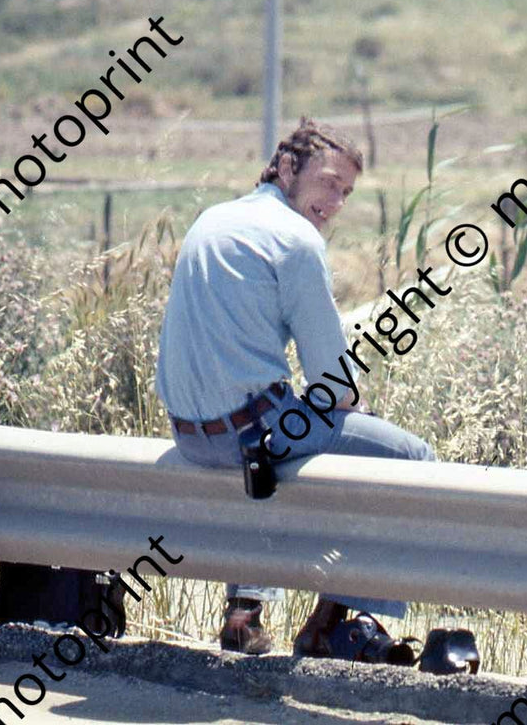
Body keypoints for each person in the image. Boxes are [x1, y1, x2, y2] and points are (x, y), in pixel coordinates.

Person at [155, 118, 435, 657]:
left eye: (346, 192)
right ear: (286, 167)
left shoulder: (213, 220)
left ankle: (245, 613)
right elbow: (332, 381)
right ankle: (332, 624)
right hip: (247, 435)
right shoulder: (297, 240)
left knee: (275, 440)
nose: (336, 202)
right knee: (408, 457)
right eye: (328, 183)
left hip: (189, 436)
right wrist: (357, 410)